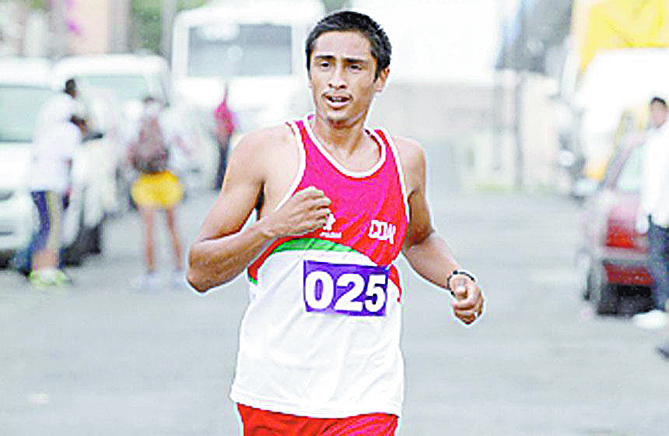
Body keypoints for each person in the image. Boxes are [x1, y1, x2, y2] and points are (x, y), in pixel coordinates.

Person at [187, 11, 484, 434]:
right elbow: (200, 270)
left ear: (380, 78)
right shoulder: (267, 151)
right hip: (275, 394)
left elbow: (418, 240)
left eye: (354, 67)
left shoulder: (405, 161)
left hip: (368, 397)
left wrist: (456, 277)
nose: (336, 81)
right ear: (309, 73)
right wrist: (271, 227)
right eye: (324, 65)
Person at [128, 96, 186, 289]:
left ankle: (151, 274)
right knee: (172, 227)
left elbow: (128, 152)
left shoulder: (136, 124)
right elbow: (183, 147)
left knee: (148, 229)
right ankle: (179, 271)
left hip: (145, 180)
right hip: (167, 178)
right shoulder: (169, 121)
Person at [28, 114, 86, 287]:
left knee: (44, 227)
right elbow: (69, 159)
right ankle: (48, 270)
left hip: (37, 184)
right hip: (51, 185)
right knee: (53, 228)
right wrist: (69, 184)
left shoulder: (52, 129)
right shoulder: (71, 131)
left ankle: (38, 270)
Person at [634, 96, 669, 330]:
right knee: (657, 260)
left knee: (659, 260)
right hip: (653, 209)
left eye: (659, 111)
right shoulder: (652, 138)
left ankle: (663, 306)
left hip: (663, 210)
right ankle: (662, 306)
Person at [213, 83, 237, 190]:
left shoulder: (225, 108)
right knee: (222, 160)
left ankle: (221, 181)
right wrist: (222, 137)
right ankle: (220, 182)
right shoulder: (222, 108)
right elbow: (220, 123)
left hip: (226, 136)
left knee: (223, 159)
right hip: (223, 137)